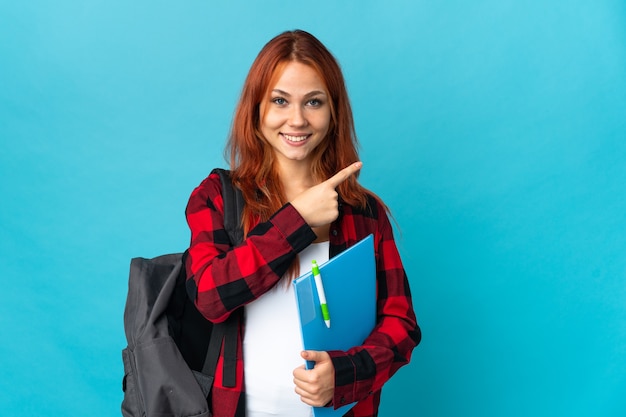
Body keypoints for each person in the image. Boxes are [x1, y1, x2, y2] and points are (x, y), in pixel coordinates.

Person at [185, 29, 421, 417]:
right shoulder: (217, 196)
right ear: (257, 108)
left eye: (314, 102)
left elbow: (401, 324)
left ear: (334, 111)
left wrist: (344, 375)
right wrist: (296, 223)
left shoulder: (364, 213)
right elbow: (210, 297)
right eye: (280, 100)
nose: (297, 119)